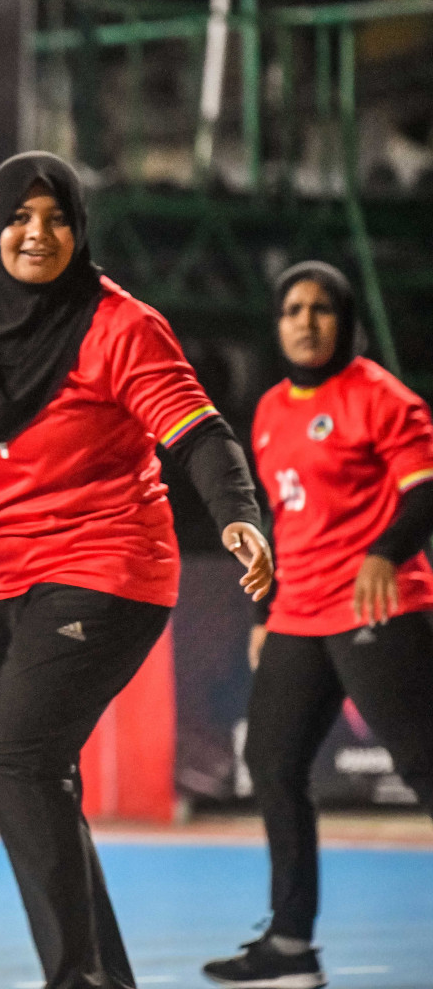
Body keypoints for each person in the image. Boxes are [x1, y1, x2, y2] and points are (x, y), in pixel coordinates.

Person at [0, 152, 272, 989]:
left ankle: (77, 981)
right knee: (29, 778)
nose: (38, 234)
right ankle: (105, 978)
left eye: (57, 218)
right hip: (9, 582)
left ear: (79, 228)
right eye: (20, 217)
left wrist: (238, 513)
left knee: (13, 756)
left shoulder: (120, 326)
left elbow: (200, 435)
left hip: (111, 569)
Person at [202, 263, 433, 988]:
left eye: (321, 308)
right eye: (291, 309)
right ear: (277, 325)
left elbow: (425, 491)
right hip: (299, 612)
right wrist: (266, 612)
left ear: (345, 320)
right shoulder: (269, 410)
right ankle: (291, 947)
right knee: (271, 764)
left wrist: (386, 555)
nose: (305, 321)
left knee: (427, 768)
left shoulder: (381, 397)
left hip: (378, 605)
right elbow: (284, 522)